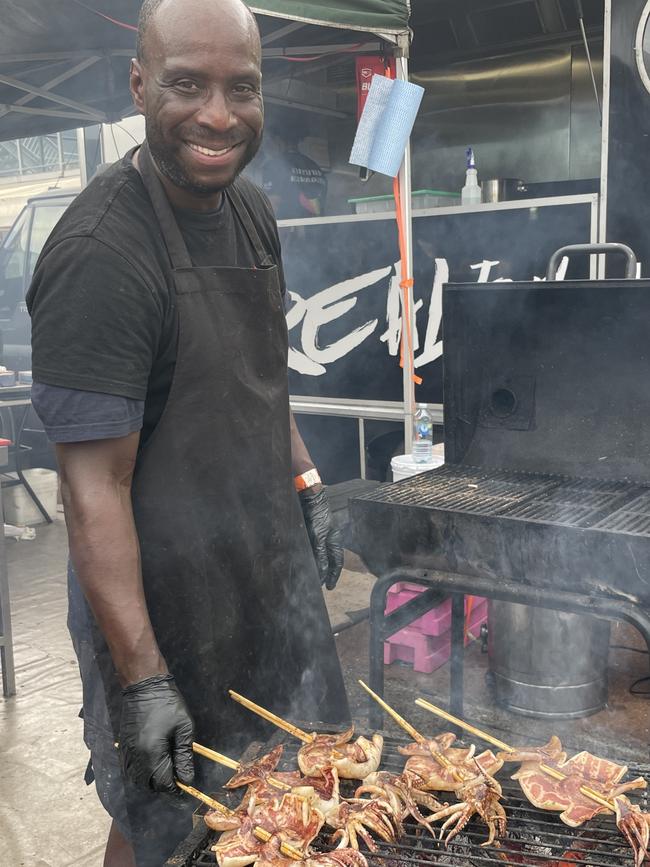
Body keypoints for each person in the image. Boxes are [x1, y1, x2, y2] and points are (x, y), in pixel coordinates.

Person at [27, 1, 349, 864]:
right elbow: (93, 487)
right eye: (187, 85)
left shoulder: (252, 212)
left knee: (289, 787)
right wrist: (143, 678)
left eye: (240, 87)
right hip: (156, 601)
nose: (217, 114)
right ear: (139, 87)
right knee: (161, 822)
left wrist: (306, 483)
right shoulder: (101, 253)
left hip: (256, 567)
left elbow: (261, 377)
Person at [262, 123, 328, 219]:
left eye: (271, 140)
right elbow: (321, 203)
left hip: (287, 229)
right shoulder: (315, 166)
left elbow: (272, 205)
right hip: (316, 230)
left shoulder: (273, 166)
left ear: (278, 140)